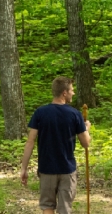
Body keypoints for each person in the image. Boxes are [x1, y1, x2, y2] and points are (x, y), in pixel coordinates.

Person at [20, 76, 91, 214]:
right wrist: (86, 128)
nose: (73, 93)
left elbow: (30, 141)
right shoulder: (75, 114)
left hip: (47, 168)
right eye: (71, 90)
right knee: (64, 208)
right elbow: (86, 142)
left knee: (47, 206)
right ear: (64, 92)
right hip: (67, 169)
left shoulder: (40, 113)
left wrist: (24, 168)